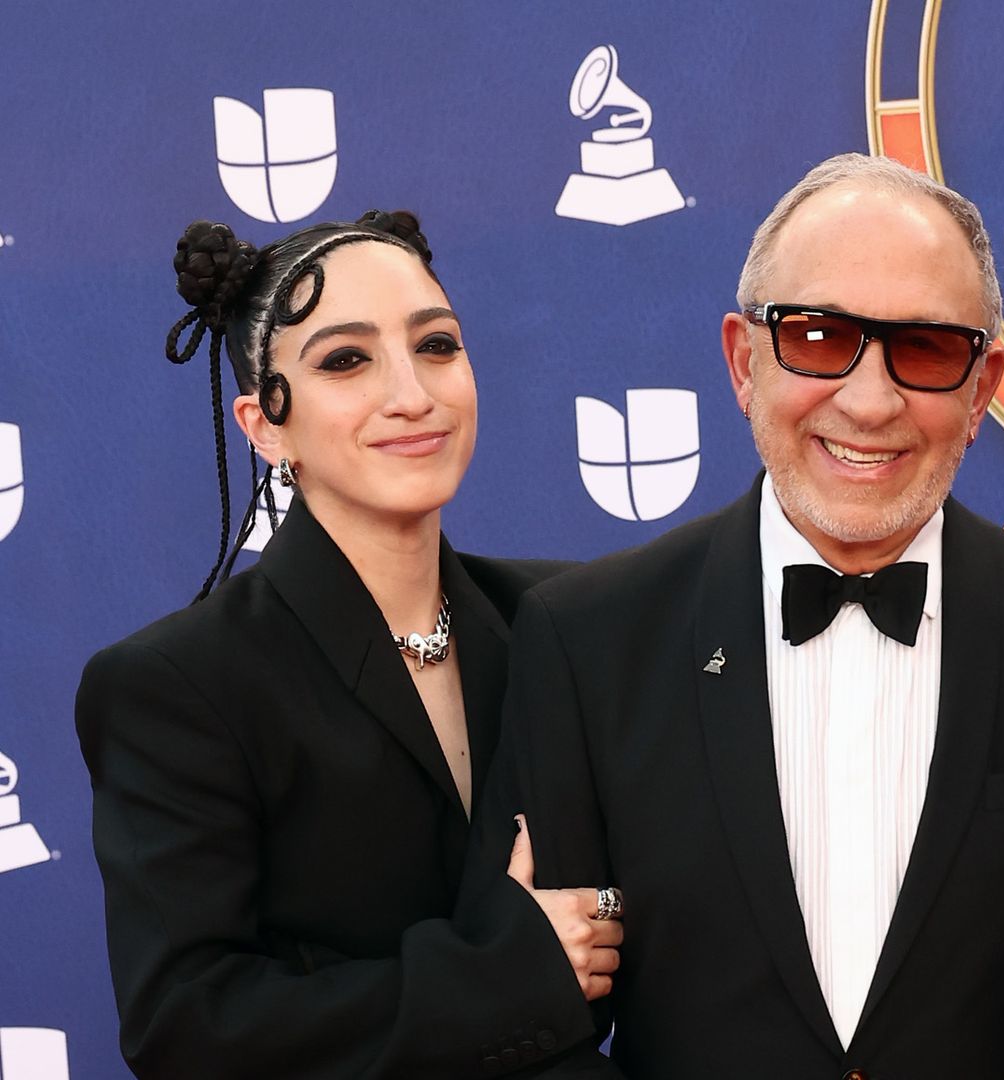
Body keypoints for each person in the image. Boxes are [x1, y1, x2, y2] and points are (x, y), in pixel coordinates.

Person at [482, 153, 1004, 1079]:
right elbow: (527, 1023)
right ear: (745, 362)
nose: (869, 401)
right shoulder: (586, 640)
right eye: (819, 337)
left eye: (928, 349)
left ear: (982, 391)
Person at [74, 212, 625, 1078]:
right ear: (263, 424)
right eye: (345, 359)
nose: (413, 393)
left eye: (437, 345)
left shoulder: (566, 617)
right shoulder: (176, 684)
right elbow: (188, 1026)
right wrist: (508, 977)